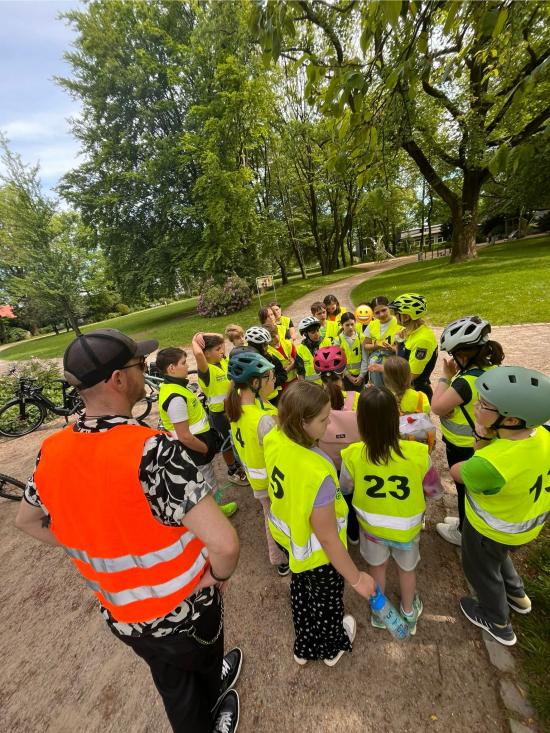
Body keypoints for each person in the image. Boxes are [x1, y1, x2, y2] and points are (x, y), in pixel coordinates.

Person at [15, 328, 242, 733]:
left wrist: (91, 543)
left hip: (122, 614)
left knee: (172, 684)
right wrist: (218, 576)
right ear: (118, 379)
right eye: (139, 364)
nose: (146, 370)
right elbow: (224, 544)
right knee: (202, 665)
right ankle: (213, 700)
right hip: (184, 609)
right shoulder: (153, 450)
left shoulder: (52, 450)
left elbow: (27, 521)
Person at [264, 381, 376, 665]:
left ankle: (303, 645)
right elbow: (327, 538)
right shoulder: (317, 472)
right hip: (317, 554)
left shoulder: (276, 438)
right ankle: (330, 648)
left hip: (290, 541)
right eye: (324, 419)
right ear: (302, 423)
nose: (328, 425)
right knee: (327, 601)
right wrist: (357, 577)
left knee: (301, 588)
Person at [450, 366, 550, 646]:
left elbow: (459, 472)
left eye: (484, 405)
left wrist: (480, 442)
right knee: (499, 557)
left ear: (512, 419)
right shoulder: (544, 435)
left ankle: (497, 620)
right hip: (525, 524)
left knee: (481, 570)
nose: (476, 406)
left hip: (488, 530)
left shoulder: (491, 462)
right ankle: (518, 595)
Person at [340, 387, 440, 635]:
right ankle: (409, 611)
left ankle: (379, 614)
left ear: (360, 421)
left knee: (378, 569)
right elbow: (434, 490)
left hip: (372, 530)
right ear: (395, 418)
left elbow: (345, 487)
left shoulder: (352, 454)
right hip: (407, 529)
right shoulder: (418, 453)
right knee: (407, 570)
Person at [431, 316, 504, 546]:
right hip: (484, 442)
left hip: (463, 447)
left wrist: (445, 376)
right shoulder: (492, 371)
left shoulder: (465, 382)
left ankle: (464, 532)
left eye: (454, 355)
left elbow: (437, 406)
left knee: (465, 489)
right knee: (473, 491)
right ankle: (466, 524)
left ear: (464, 355)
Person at [225, 349, 290, 576]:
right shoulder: (262, 420)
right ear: (255, 382)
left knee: (269, 516)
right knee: (276, 520)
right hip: (272, 482)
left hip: (256, 480)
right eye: (270, 377)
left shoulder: (238, 410)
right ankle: (280, 557)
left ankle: (279, 557)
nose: (274, 380)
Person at [156, 347, 237, 517]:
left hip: (197, 448)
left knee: (208, 479)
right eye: (183, 363)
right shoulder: (175, 397)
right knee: (206, 481)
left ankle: (216, 510)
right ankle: (216, 516)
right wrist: (204, 448)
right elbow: (184, 435)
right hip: (195, 451)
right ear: (171, 368)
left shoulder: (175, 387)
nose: (187, 366)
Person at [314, 345, 361, 546]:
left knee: (333, 501)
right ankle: (354, 533)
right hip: (354, 464)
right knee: (354, 499)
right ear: (343, 372)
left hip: (327, 465)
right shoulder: (356, 399)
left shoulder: (313, 403)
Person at [192, 332, 248, 485]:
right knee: (227, 444)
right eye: (217, 349)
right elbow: (197, 353)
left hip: (233, 409)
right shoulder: (206, 371)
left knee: (239, 439)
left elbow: (221, 339)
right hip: (220, 415)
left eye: (221, 348)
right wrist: (196, 338)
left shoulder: (224, 362)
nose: (222, 351)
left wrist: (213, 338)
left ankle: (244, 465)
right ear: (206, 353)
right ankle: (233, 471)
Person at [385, 293, 437, 399]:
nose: (394, 316)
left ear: (406, 316)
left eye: (396, 313)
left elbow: (412, 374)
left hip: (415, 394)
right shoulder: (410, 332)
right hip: (407, 390)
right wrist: (399, 343)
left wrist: (383, 369)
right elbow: (402, 358)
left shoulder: (422, 340)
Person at [361, 295, 401, 388]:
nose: (381, 314)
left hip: (391, 364)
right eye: (377, 312)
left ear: (389, 308)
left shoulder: (398, 322)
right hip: (375, 364)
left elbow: (404, 347)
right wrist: (377, 346)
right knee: (378, 391)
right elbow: (365, 345)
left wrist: (393, 348)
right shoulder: (372, 324)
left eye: (384, 310)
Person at [244, 326, 287, 403]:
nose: (266, 348)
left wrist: (272, 381)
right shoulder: (245, 362)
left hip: (275, 397)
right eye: (263, 345)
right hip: (257, 401)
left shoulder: (271, 358)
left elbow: (283, 374)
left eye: (267, 345)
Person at [264, 322, 297, 388]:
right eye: (272, 337)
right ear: (267, 340)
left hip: (295, 379)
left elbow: (298, 360)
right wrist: (290, 366)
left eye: (276, 333)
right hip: (282, 385)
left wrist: (294, 363)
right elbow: (273, 374)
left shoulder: (288, 343)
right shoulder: (267, 353)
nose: (276, 337)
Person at [338, 311, 364, 392]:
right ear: (342, 325)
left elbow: (365, 358)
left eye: (352, 324)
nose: (350, 327)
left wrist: (361, 376)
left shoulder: (361, 337)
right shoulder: (338, 341)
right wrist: (349, 376)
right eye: (347, 325)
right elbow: (339, 362)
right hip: (346, 378)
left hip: (361, 376)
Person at [294, 315, 324, 385]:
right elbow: (300, 373)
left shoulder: (326, 343)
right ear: (305, 334)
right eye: (313, 332)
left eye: (317, 330)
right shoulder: (300, 350)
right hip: (311, 388)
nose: (317, 334)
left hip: (327, 385)